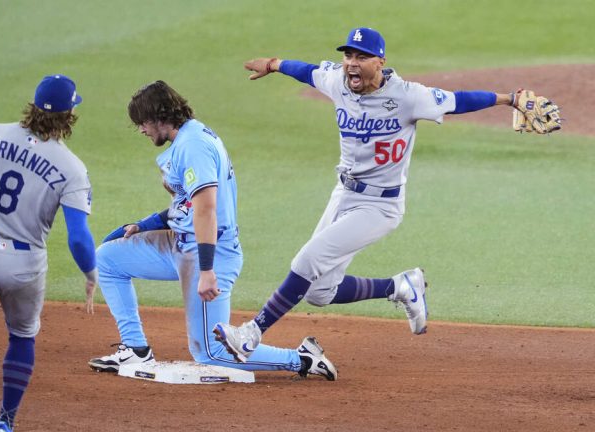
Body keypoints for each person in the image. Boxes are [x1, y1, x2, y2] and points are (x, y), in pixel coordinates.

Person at [214, 27, 542, 362]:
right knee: (318, 292)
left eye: (362, 57)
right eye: (348, 55)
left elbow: (459, 101)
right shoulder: (338, 81)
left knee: (307, 261)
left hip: (379, 206)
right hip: (343, 194)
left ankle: (251, 333)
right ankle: (400, 287)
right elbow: (307, 71)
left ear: (380, 62)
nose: (351, 63)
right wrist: (273, 64)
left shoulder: (409, 96)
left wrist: (510, 99)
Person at [87, 80, 336, 381]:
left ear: (159, 117)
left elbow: (206, 209)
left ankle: (302, 359)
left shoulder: (194, 146)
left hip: (210, 253)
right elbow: (187, 205)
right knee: (108, 259)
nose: (141, 129)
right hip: (179, 244)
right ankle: (135, 348)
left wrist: (206, 270)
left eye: (143, 122)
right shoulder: (186, 139)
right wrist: (145, 225)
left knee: (211, 352)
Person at [0, 74, 98, 432]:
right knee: (22, 336)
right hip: (23, 264)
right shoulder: (72, 167)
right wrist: (90, 273)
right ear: (69, 115)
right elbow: (78, 238)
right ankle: (4, 423)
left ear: (33, 106)